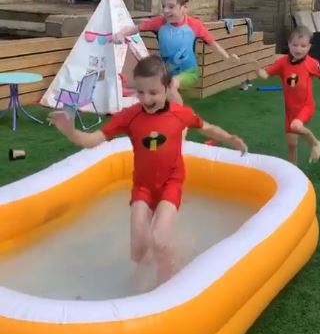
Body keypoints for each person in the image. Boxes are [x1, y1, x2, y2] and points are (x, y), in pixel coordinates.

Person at [49, 55, 247, 284]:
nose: (146, 98)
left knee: (160, 239)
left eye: (153, 92)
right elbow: (93, 140)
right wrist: (69, 131)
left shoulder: (179, 114)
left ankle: (165, 282)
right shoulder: (129, 117)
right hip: (143, 187)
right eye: (140, 92)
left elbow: (207, 128)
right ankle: (151, 266)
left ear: (167, 88)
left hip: (170, 183)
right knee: (138, 250)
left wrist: (230, 138)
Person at [113, 0, 239, 104]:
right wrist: (121, 34)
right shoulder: (159, 22)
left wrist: (227, 57)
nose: (166, 10)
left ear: (184, 8)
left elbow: (213, 43)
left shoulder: (194, 25)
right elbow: (135, 28)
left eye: (171, 6)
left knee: (171, 84)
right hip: (165, 72)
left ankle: (180, 118)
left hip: (189, 72)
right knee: (155, 85)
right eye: (164, 6)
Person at [257, 26, 320, 165]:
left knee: (296, 126)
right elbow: (266, 74)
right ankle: (293, 169)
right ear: (289, 44)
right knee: (292, 144)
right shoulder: (282, 63)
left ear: (309, 47)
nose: (298, 49)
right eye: (295, 45)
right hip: (290, 110)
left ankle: (316, 143)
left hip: (306, 106)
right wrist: (259, 71)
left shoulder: (312, 64)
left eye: (303, 46)